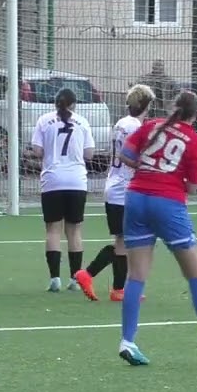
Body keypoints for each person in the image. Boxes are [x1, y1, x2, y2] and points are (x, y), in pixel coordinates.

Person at [115, 90, 197, 366]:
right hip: (167, 203)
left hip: (135, 198)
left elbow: (126, 155)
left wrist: (148, 169)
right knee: (195, 273)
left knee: (136, 276)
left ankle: (128, 341)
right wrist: (169, 178)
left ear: (173, 108)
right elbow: (192, 186)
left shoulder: (151, 126)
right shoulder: (194, 141)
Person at [74, 84, 155, 302]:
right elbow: (131, 156)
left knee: (124, 241)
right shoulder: (135, 127)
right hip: (124, 190)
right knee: (126, 241)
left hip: (115, 186)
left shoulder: (122, 122)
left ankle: (117, 288)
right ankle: (91, 275)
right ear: (147, 104)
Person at [32, 87, 96, 292]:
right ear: (74, 104)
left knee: (53, 229)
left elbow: (37, 150)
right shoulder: (82, 122)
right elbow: (89, 154)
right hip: (76, 181)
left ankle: (54, 279)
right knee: (74, 230)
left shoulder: (44, 120)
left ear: (55, 103)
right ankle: (75, 279)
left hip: (52, 180)